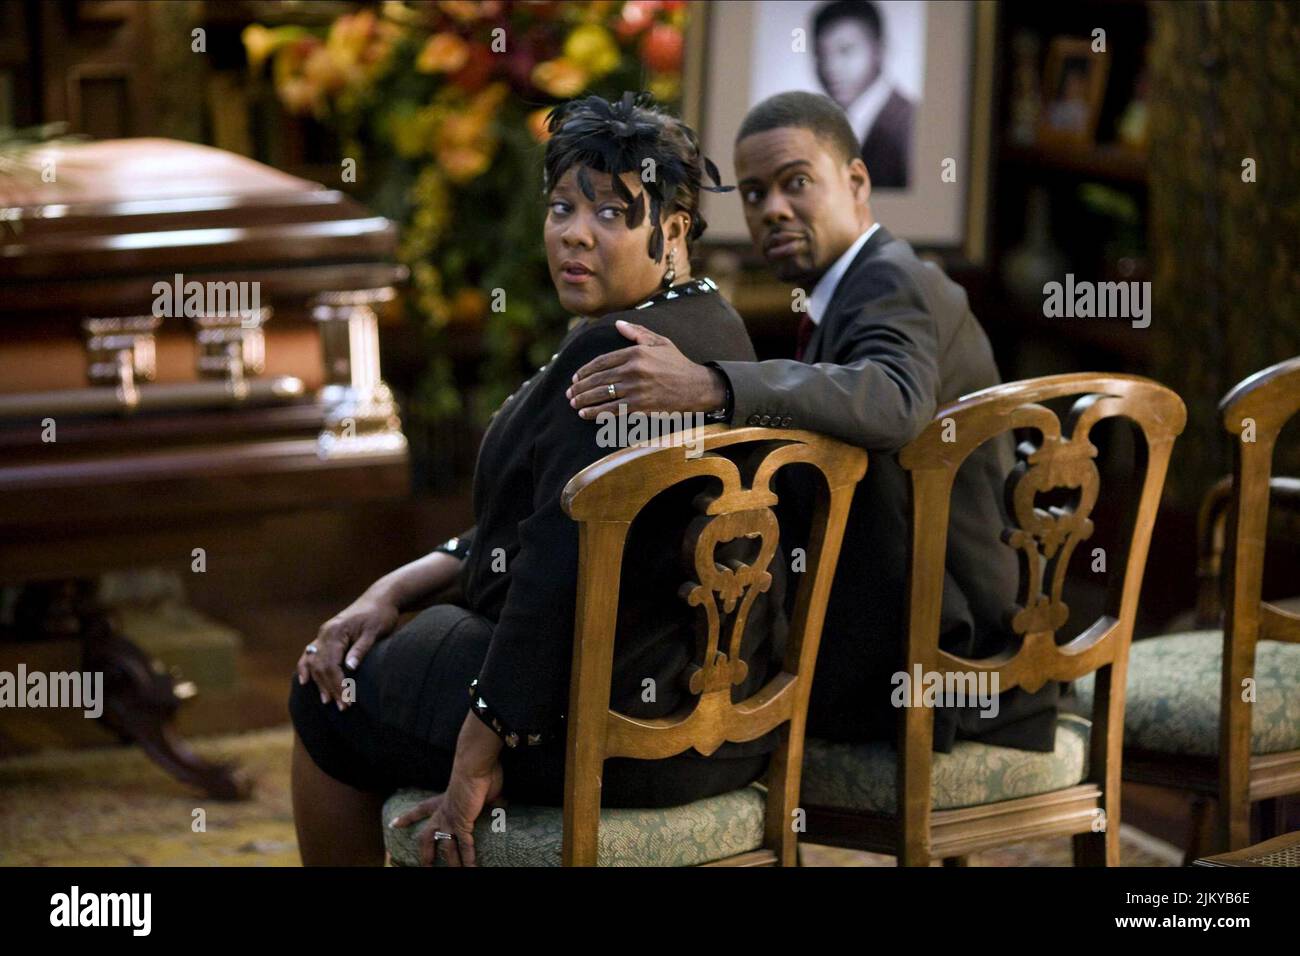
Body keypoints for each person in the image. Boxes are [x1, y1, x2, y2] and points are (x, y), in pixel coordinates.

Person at [288, 93, 785, 867]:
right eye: (560, 208)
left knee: (323, 694)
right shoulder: (717, 334)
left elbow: (554, 577)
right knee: (394, 644)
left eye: (613, 215)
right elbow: (537, 527)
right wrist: (396, 587)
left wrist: (480, 749)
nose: (574, 235)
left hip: (598, 731)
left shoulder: (621, 361)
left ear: (675, 229)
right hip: (724, 729)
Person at [566, 91, 1059, 755]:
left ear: (856, 182)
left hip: (948, 662)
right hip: (922, 641)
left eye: (796, 182)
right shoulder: (856, 288)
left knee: (684, 696)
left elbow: (892, 399)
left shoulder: (892, 279)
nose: (772, 209)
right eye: (754, 193)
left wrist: (711, 384)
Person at [811, 0, 914, 189]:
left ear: (880, 50)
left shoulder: (909, 125)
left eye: (846, 51)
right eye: (821, 54)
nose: (830, 67)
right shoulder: (822, 127)